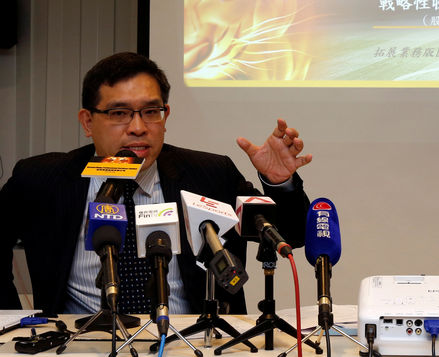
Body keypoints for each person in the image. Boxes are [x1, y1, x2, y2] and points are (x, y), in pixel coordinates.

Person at [0, 52, 312, 315]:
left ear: (165, 116)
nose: (138, 128)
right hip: (85, 343)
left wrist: (278, 182)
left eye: (151, 112)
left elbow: (291, 234)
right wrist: (13, 324)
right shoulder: (42, 180)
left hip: (189, 343)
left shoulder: (209, 175)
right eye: (119, 113)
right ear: (87, 122)